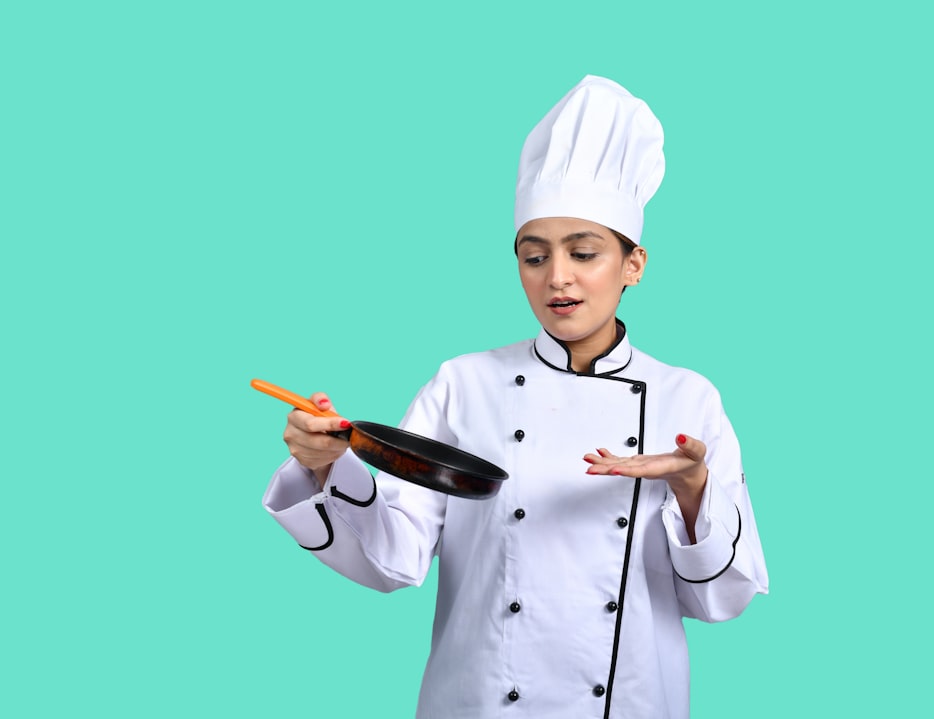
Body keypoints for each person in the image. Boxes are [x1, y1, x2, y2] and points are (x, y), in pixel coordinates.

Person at [263, 75, 768, 719]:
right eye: (534, 258)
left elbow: (720, 601)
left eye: (584, 253)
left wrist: (695, 490)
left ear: (634, 265)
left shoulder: (686, 399)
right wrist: (326, 464)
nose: (557, 278)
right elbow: (391, 559)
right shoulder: (463, 385)